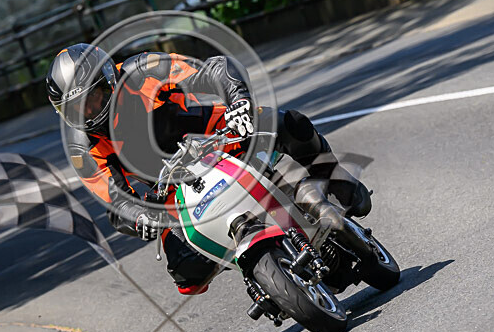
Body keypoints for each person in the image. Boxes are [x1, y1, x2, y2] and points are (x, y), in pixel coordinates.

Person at [46, 43, 371, 295]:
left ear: (109, 80)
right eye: (76, 108)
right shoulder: (82, 147)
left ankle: (337, 181)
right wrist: (139, 216)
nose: (89, 111)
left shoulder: (143, 70)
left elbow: (215, 69)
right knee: (186, 273)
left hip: (219, 138)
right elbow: (114, 199)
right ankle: (255, 271)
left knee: (288, 123)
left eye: (93, 97)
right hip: (171, 191)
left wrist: (238, 102)